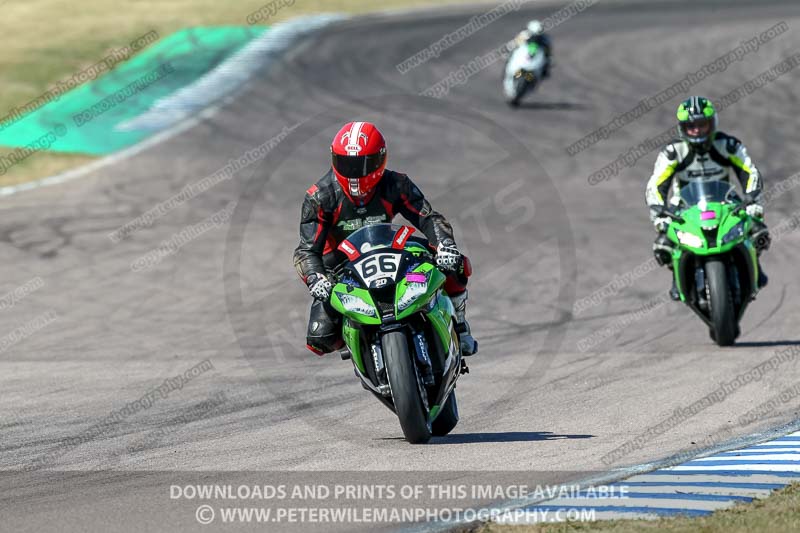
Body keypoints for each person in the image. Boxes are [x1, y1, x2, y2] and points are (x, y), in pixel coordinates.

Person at [293, 121, 477, 356]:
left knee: (455, 263)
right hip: (341, 269)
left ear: (380, 161)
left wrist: (445, 245)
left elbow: (428, 217)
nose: (354, 174)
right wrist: (315, 278)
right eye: (347, 164)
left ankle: (460, 325)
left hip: (390, 251)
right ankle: (357, 340)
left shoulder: (396, 183)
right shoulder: (320, 196)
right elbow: (306, 251)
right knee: (321, 336)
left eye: (363, 165)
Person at [645, 96, 770, 300]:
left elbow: (750, 171)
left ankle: (755, 264)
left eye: (702, 125)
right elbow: (656, 184)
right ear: (682, 128)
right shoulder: (673, 152)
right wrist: (658, 211)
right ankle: (677, 278)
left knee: (758, 230)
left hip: (726, 200)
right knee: (663, 244)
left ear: (712, 123)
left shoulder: (728, 145)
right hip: (684, 206)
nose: (697, 131)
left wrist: (752, 199)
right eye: (691, 126)